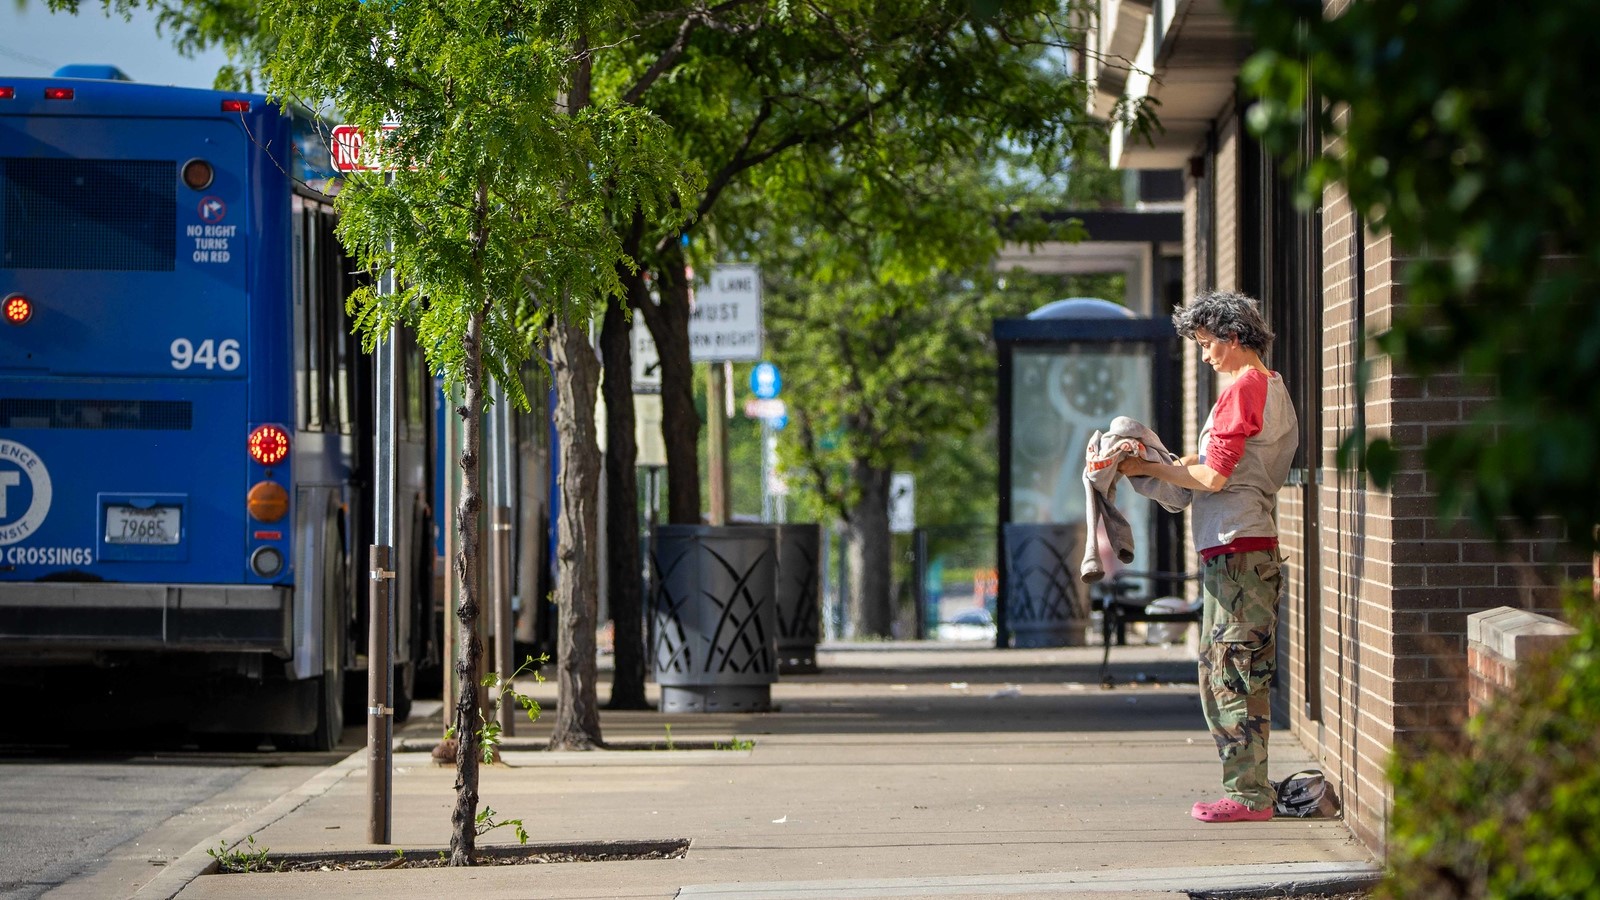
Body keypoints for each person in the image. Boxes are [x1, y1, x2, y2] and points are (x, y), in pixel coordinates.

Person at [1117, 290, 1298, 823]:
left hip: (1239, 552)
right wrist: (1153, 466)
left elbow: (1213, 477)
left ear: (1232, 336)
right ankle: (1251, 789)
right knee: (1240, 671)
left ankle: (1247, 796)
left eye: (1206, 343)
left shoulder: (1243, 390)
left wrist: (1149, 470)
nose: (1204, 356)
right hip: (1244, 547)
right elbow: (1207, 468)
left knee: (1228, 674)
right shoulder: (1270, 387)